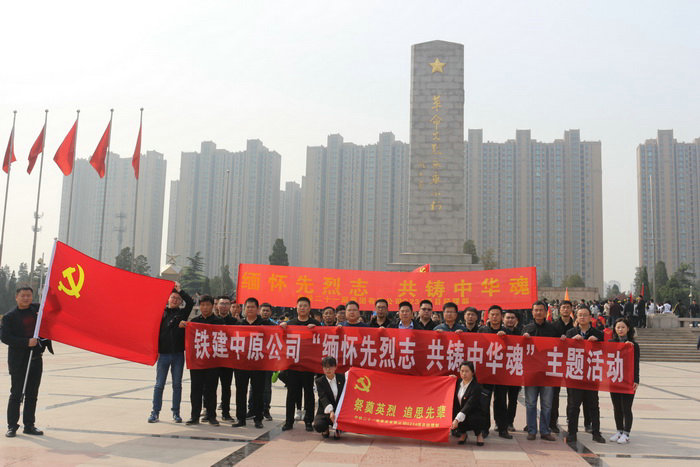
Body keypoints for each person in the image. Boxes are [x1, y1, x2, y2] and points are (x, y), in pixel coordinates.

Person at [2, 286, 52, 438]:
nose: (26, 298)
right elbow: (5, 337)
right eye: (23, 296)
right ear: (16, 297)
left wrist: (50, 289)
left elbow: (54, 308)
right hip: (19, 361)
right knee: (16, 394)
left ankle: (29, 425)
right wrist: (26, 342)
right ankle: (12, 426)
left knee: (32, 394)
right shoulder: (10, 317)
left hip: (36, 359)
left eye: (29, 295)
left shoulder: (37, 309)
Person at [149, 282, 193, 423]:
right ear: (168, 299)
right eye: (173, 297)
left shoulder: (182, 314)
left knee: (177, 385)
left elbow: (191, 303)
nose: (175, 300)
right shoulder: (160, 313)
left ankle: (176, 413)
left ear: (180, 302)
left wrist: (180, 290)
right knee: (159, 385)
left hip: (178, 355)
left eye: (178, 299)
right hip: (163, 354)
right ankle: (155, 412)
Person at [564, 306, 605, 443]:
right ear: (576, 317)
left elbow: (606, 351)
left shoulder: (598, 334)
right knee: (573, 405)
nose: (582, 317)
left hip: (591, 375)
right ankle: (572, 433)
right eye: (580, 315)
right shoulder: (570, 332)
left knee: (593, 405)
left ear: (590, 317)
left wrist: (598, 343)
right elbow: (563, 351)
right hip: (575, 374)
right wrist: (571, 342)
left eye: (585, 315)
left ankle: (596, 433)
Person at [522, 300, 562, 441]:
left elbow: (560, 348)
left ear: (546, 312)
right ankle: (532, 430)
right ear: (532, 312)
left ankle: (545, 431)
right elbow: (519, 350)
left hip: (547, 373)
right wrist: (523, 340)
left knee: (547, 404)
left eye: (541, 310)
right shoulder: (526, 329)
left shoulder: (553, 329)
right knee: (531, 403)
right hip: (531, 373)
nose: (538, 312)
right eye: (536, 310)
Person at [180, 295, 223, 425]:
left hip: (213, 361)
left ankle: (211, 416)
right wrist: (183, 326)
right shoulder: (194, 321)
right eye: (202, 305)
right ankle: (194, 416)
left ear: (212, 306)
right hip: (197, 361)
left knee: (211, 390)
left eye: (208, 305)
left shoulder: (219, 322)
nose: (205, 308)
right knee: (196, 390)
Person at [232, 297, 274, 429]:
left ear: (257, 309)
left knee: (258, 392)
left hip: (259, 363)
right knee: (241, 391)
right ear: (244, 309)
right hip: (241, 364)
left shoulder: (265, 324)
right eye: (248, 307)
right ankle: (240, 418)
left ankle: (258, 418)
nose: (250, 309)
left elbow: (277, 335)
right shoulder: (239, 324)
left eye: (252, 307)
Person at [280, 297, 320, 431]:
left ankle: (308, 421)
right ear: (296, 308)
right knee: (291, 393)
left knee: (309, 393)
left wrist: (316, 330)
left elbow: (322, 340)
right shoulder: (290, 323)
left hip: (308, 365)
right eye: (300, 306)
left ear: (309, 308)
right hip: (293, 365)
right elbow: (282, 341)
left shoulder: (315, 324)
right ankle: (288, 421)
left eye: (305, 306)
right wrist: (282, 329)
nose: (302, 308)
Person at [477, 305, 511, 439]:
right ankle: (484, 428)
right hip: (486, 371)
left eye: (497, 314)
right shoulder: (482, 330)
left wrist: (505, 338)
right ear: (488, 316)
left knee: (501, 401)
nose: (495, 317)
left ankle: (502, 428)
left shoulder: (507, 331)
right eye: (492, 314)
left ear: (501, 317)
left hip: (501, 372)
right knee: (484, 401)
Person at [609, 318, 640, 444]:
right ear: (614, 329)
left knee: (626, 407)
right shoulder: (611, 343)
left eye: (623, 327)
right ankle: (619, 431)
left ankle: (626, 433)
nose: (620, 329)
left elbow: (636, 363)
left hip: (627, 380)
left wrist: (636, 380)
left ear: (628, 329)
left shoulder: (633, 345)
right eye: (618, 327)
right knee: (616, 407)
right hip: (614, 379)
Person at [246, 302, 276, 421]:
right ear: (259, 311)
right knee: (253, 387)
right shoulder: (253, 323)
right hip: (253, 359)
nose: (265, 312)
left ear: (271, 312)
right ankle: (251, 409)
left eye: (267, 311)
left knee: (266, 387)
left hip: (267, 361)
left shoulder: (274, 326)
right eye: (263, 310)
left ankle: (266, 410)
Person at [550, 299, 575, 434]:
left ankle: (571, 420)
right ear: (559, 310)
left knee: (573, 394)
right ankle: (553, 422)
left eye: (568, 307)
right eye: (563, 307)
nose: (565, 309)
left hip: (572, 363)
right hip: (557, 363)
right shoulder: (552, 326)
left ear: (571, 310)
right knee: (554, 394)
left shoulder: (576, 326)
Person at [451, 361, 486, 446]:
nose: (464, 374)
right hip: (462, 410)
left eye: (467, 371)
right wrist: (449, 379)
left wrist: (456, 420)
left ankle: (479, 434)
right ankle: (463, 433)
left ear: (472, 373)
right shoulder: (457, 382)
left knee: (471, 416)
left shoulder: (476, 387)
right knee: (457, 411)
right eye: (462, 371)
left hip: (474, 412)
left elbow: (469, 404)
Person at [213, 296, 236, 421]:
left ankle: (226, 412)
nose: (224, 306)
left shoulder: (235, 322)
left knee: (226, 387)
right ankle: (209, 412)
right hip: (213, 359)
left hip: (228, 359)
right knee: (211, 386)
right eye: (222, 303)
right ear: (217, 305)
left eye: (227, 304)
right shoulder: (212, 320)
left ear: (230, 306)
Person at [313, 357, 346, 439]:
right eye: (325, 367)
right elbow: (323, 398)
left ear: (335, 367)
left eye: (330, 367)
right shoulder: (319, 381)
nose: (328, 369)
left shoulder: (342, 378)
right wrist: (331, 411)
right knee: (318, 425)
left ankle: (338, 429)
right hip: (325, 410)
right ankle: (326, 429)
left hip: (339, 410)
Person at [503, 311, 521, 432]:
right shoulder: (499, 332)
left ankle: (510, 422)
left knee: (513, 399)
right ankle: (500, 422)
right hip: (502, 372)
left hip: (515, 371)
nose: (510, 320)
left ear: (516, 320)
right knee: (500, 399)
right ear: (503, 319)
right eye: (508, 317)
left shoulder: (521, 333)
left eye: (512, 318)